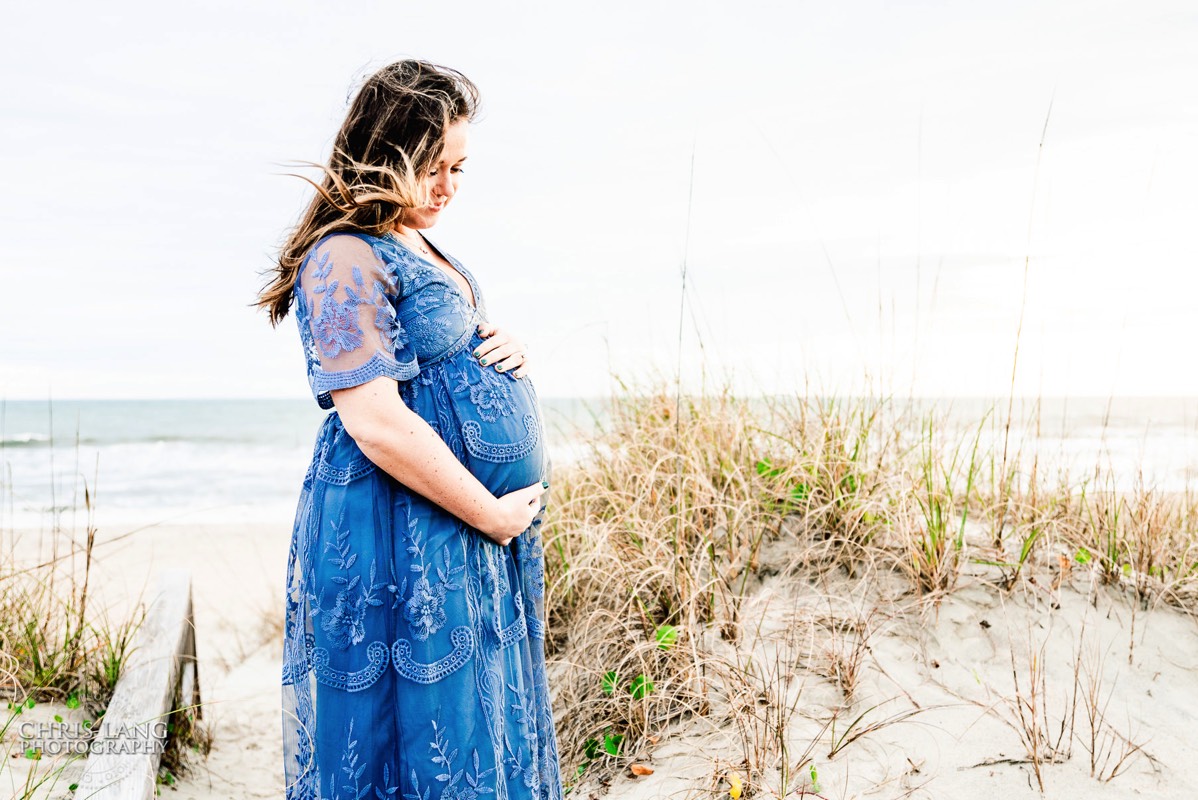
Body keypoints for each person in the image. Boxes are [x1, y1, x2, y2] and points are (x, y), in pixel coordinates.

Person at [255, 59, 564, 800]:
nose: (448, 186)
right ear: (385, 152)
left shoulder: (416, 241)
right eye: (433, 166)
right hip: (402, 530)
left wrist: (508, 348)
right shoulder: (340, 258)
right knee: (413, 734)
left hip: (456, 528)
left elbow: (440, 351)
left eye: (459, 167)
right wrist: (490, 513)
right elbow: (377, 423)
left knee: (470, 724)